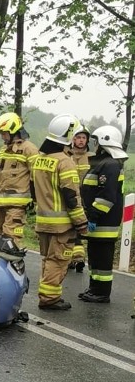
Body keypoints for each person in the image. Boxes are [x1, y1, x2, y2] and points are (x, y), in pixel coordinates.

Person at [30, 114, 88, 311]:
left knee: (47, 259)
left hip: (42, 221)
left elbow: (33, 190)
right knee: (59, 260)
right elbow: (72, 196)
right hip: (61, 225)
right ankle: (49, 298)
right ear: (69, 135)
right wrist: (81, 222)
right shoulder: (65, 162)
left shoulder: (39, 160)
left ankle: (47, 294)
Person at [79, 125, 128, 304]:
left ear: (104, 142)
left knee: (103, 259)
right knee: (94, 257)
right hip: (98, 220)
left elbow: (107, 196)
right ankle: (94, 288)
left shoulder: (111, 165)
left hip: (104, 221)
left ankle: (102, 292)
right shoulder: (103, 162)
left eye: (96, 141)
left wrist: (93, 216)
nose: (93, 144)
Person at [0, 112, 38, 248]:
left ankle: (14, 266)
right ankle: (3, 267)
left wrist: (35, 199)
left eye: (4, 133)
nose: (2, 136)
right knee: (0, 238)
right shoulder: (4, 149)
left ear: (14, 131)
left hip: (17, 205)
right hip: (1, 202)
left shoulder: (29, 149)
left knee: (11, 238)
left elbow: (37, 176)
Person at [65, 125, 91, 271]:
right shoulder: (67, 156)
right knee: (70, 229)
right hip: (71, 197)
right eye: (78, 137)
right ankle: (75, 258)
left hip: (86, 199)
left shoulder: (91, 157)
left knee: (78, 229)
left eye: (83, 138)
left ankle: (78, 258)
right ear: (72, 139)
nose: (81, 141)